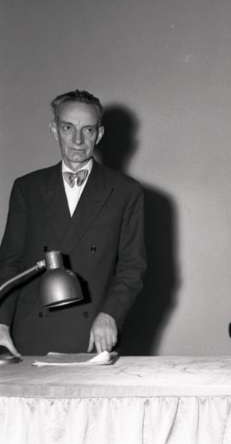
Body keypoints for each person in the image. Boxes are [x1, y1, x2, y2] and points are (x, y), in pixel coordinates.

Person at [0, 90, 146, 356]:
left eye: (87, 130)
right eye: (68, 128)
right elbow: (10, 262)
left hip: (92, 335)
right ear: (55, 130)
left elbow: (132, 268)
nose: (78, 140)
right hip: (29, 335)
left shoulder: (126, 192)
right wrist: (1, 324)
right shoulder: (27, 188)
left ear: (99, 135)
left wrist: (110, 314)